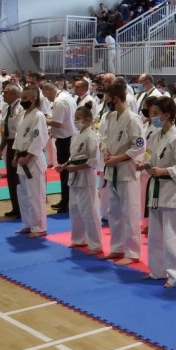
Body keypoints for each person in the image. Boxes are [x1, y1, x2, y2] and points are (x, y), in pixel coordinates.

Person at [139, 97, 176, 287]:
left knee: (173, 235)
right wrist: (146, 165)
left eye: (155, 114)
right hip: (156, 190)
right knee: (155, 234)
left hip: (171, 190)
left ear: (167, 115)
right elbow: (153, 160)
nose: (151, 117)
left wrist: (163, 171)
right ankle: (157, 270)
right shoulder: (156, 136)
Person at [100, 81, 146, 264]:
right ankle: (117, 247)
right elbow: (104, 137)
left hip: (126, 171)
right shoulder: (110, 117)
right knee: (114, 212)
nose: (106, 103)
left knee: (130, 213)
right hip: (112, 170)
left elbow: (139, 146)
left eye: (107, 100)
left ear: (116, 99)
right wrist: (105, 150)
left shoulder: (133, 119)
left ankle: (132, 252)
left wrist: (118, 158)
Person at [56, 105, 102, 255]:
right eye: (75, 118)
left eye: (78, 118)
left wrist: (76, 168)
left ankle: (95, 244)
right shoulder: (75, 135)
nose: (75, 121)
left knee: (89, 211)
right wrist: (64, 165)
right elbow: (73, 157)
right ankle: (79, 239)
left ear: (88, 120)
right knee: (75, 209)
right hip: (74, 176)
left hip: (85, 175)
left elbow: (94, 160)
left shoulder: (91, 136)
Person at [13, 85, 50, 238]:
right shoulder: (22, 114)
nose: (22, 101)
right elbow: (18, 137)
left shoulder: (38, 116)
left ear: (34, 99)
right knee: (23, 195)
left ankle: (39, 227)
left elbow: (39, 138)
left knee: (35, 195)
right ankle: (28, 224)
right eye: (21, 98)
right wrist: (15, 156)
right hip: (21, 159)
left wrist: (27, 157)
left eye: (25, 98)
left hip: (33, 160)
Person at [43, 82, 76, 212]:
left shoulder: (59, 101)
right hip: (69, 137)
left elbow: (57, 123)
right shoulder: (67, 96)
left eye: (46, 96)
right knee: (66, 172)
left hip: (65, 139)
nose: (47, 99)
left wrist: (43, 119)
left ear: (48, 91)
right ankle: (65, 200)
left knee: (65, 172)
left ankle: (66, 202)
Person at [0, 84, 23, 219]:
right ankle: (15, 207)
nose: (3, 94)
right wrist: (0, 148)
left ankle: (21, 208)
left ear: (14, 94)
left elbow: (20, 132)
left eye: (6, 92)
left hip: (18, 144)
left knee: (18, 178)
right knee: (11, 177)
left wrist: (16, 153)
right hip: (9, 142)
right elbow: (5, 130)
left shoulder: (20, 108)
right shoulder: (7, 108)